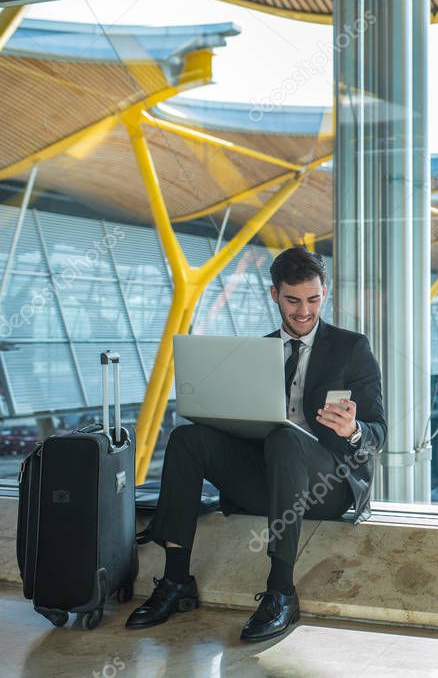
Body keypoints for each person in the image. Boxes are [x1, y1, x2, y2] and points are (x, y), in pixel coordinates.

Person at [126, 246, 386, 642]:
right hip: (268, 479)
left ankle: (281, 592)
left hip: (327, 487)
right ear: (274, 295)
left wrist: (353, 429)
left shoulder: (351, 348)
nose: (303, 312)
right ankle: (176, 581)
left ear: (325, 293)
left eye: (313, 299)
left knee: (285, 437)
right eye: (293, 300)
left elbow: (379, 434)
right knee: (186, 438)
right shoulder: (255, 353)